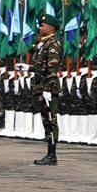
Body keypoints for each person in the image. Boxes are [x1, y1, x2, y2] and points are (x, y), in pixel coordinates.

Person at [31, 14, 63, 165]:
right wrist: (29, 68)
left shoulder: (53, 44)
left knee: (51, 121)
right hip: (41, 86)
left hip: (48, 87)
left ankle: (52, 154)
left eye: (42, 25)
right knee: (46, 120)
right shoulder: (43, 44)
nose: (40, 28)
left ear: (51, 28)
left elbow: (52, 68)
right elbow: (40, 66)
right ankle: (49, 153)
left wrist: (48, 89)